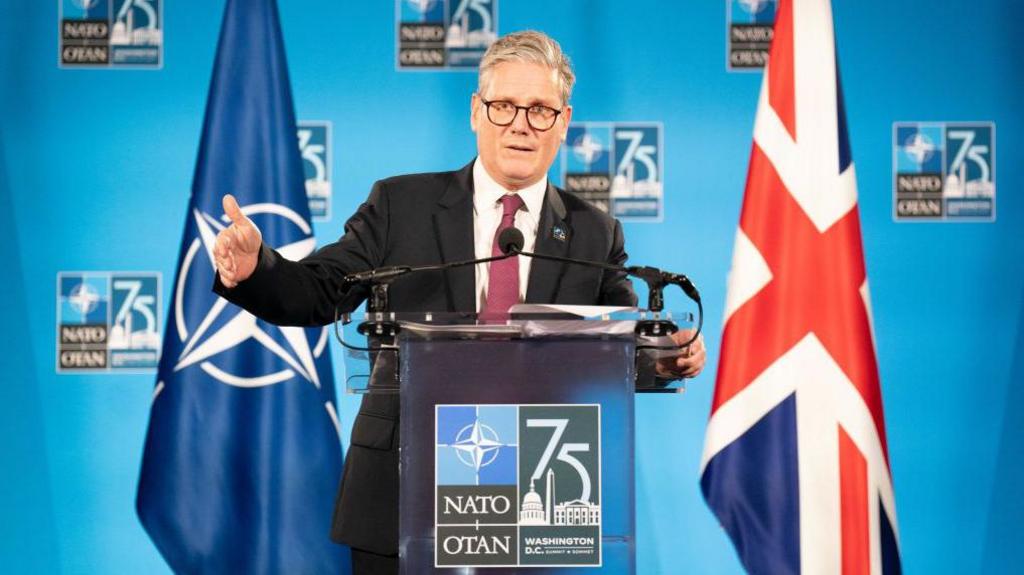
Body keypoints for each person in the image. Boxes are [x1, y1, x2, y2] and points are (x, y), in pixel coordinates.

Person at [212, 30, 706, 575]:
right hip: (403, 491)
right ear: (476, 112)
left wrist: (667, 354)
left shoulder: (594, 232)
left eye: (540, 109)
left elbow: (620, 344)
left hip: (540, 497)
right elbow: (322, 289)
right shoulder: (401, 204)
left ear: (563, 123)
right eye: (503, 106)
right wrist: (258, 267)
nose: (520, 123)